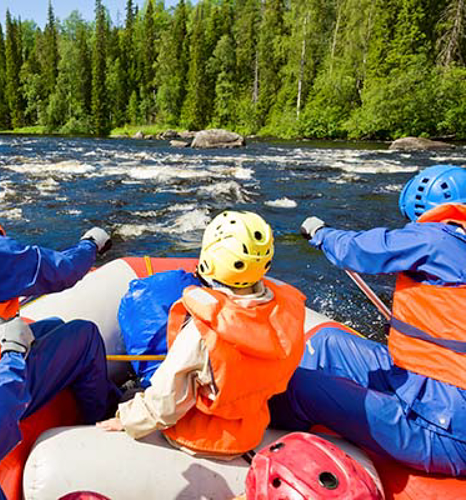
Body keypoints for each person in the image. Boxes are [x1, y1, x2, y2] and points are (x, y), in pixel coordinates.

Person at [269, 164, 466, 477]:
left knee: (298, 386)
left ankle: (246, 430)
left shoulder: (435, 241)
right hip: (423, 379)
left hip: (447, 427)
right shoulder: (455, 243)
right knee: (326, 343)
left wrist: (321, 234)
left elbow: (362, 250)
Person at [0, 154, 121, 499]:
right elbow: (62, 270)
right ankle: (106, 420)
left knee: (51, 325)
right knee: (83, 335)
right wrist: (90, 244)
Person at [99, 210, 306, 459]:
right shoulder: (289, 310)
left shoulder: (202, 329)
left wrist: (127, 420)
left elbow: (167, 401)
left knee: (128, 397)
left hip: (197, 436)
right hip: (250, 428)